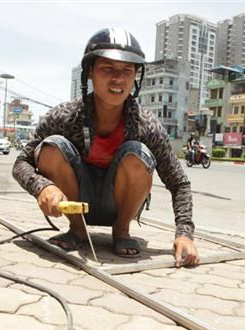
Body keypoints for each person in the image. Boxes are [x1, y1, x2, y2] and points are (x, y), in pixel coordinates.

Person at [12, 28, 199, 267]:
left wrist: (184, 234)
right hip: (74, 204)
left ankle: (121, 232)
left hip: (120, 207)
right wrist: (42, 187)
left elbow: (178, 182)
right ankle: (77, 231)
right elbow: (21, 163)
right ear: (90, 72)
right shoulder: (64, 116)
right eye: (107, 69)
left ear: (135, 77)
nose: (118, 79)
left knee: (137, 153)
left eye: (127, 71)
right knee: (52, 147)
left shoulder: (147, 125)